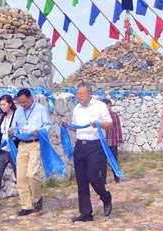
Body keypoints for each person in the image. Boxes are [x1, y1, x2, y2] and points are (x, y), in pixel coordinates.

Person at [62, 82, 113, 222]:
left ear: (89, 93)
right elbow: (76, 127)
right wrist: (68, 126)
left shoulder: (100, 106)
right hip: (80, 146)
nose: (79, 97)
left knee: (93, 177)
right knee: (81, 181)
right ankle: (86, 213)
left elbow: (110, 124)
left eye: (82, 94)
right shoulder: (77, 108)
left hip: (95, 145)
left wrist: (98, 124)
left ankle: (106, 197)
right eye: (78, 94)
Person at [10, 88, 50, 216]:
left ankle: (37, 198)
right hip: (22, 145)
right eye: (20, 103)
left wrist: (40, 130)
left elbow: (48, 125)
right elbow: (15, 126)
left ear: (30, 98)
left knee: (32, 173)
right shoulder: (19, 112)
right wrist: (12, 131)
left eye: (24, 102)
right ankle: (26, 206)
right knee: (21, 177)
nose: (23, 105)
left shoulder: (41, 109)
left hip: (35, 144)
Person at [102, 98, 123, 183]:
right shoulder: (100, 117)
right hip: (103, 142)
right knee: (102, 162)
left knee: (114, 160)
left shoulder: (114, 115)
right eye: (105, 106)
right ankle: (103, 179)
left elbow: (118, 127)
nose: (107, 108)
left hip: (112, 141)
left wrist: (119, 139)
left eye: (108, 106)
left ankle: (116, 177)